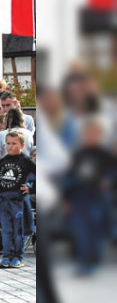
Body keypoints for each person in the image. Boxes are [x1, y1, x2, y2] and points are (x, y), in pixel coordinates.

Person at [63, 116, 114, 275]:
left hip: (97, 197)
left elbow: (113, 173)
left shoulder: (105, 155)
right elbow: (69, 177)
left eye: (94, 133)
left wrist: (108, 181)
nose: (90, 137)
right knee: (80, 230)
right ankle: (84, 260)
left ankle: (92, 260)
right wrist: (67, 199)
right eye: (87, 133)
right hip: (79, 197)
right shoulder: (79, 154)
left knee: (94, 229)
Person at [0, 129, 36, 268]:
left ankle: (18, 256)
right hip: (3, 201)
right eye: (8, 143)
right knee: (6, 230)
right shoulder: (2, 162)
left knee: (18, 231)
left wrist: (31, 188)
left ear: (22, 145)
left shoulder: (27, 161)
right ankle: (7, 255)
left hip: (19, 202)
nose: (10, 146)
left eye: (14, 143)